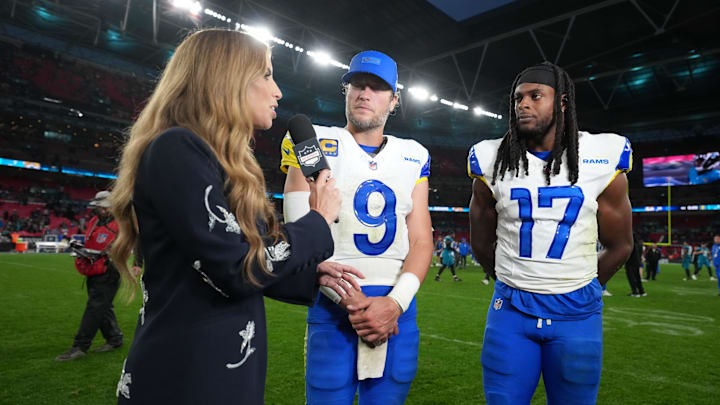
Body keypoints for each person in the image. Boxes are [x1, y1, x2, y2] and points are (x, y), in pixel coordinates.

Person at [108, 29, 354, 404]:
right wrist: (317, 221)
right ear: (229, 78)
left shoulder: (210, 158)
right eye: (267, 74)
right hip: (185, 376)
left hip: (217, 370)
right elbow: (235, 269)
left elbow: (232, 262)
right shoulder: (178, 148)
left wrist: (308, 274)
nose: (278, 92)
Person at [468, 62, 633, 404]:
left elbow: (621, 245)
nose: (522, 104)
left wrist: (585, 286)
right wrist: (512, 279)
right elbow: (481, 241)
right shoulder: (489, 158)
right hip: (510, 311)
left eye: (535, 96)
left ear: (562, 102)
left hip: (578, 314)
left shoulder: (602, 155)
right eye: (518, 98)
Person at [280, 50, 433, 404]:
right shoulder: (312, 140)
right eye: (357, 84)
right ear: (345, 91)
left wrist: (393, 304)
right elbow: (300, 232)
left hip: (398, 309)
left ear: (394, 99)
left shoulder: (414, 154)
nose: (365, 93)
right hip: (332, 306)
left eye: (377, 88)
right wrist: (356, 305)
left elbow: (422, 241)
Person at [55, 191, 124, 362]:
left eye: (103, 206)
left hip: (109, 271)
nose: (101, 209)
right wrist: (81, 249)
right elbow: (91, 243)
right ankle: (114, 339)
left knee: (95, 307)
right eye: (99, 207)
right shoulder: (93, 222)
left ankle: (80, 346)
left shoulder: (121, 223)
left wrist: (110, 253)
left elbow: (126, 245)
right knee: (103, 307)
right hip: (92, 269)